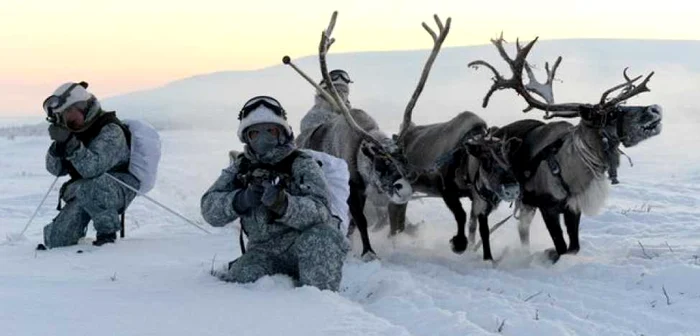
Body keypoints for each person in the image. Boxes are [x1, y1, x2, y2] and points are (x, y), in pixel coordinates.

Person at [201, 95, 349, 291]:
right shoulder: (241, 167)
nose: (263, 138)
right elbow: (209, 209)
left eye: (270, 130)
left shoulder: (301, 163)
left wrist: (284, 204)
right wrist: (240, 200)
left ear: (282, 133)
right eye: (255, 133)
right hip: (263, 251)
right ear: (246, 138)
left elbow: (321, 211)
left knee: (323, 237)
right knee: (239, 283)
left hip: (303, 244)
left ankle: (320, 306)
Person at [39, 82, 139, 249]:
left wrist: (71, 145)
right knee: (57, 241)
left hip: (117, 187)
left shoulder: (110, 130)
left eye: (68, 113)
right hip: (85, 189)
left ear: (82, 107)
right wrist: (58, 146)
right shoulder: (74, 132)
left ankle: (107, 238)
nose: (66, 120)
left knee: (94, 186)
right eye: (61, 116)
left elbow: (93, 169)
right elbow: (55, 170)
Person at [299, 69, 353, 135]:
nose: (341, 95)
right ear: (324, 93)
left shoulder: (354, 117)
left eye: (344, 91)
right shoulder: (311, 119)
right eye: (337, 90)